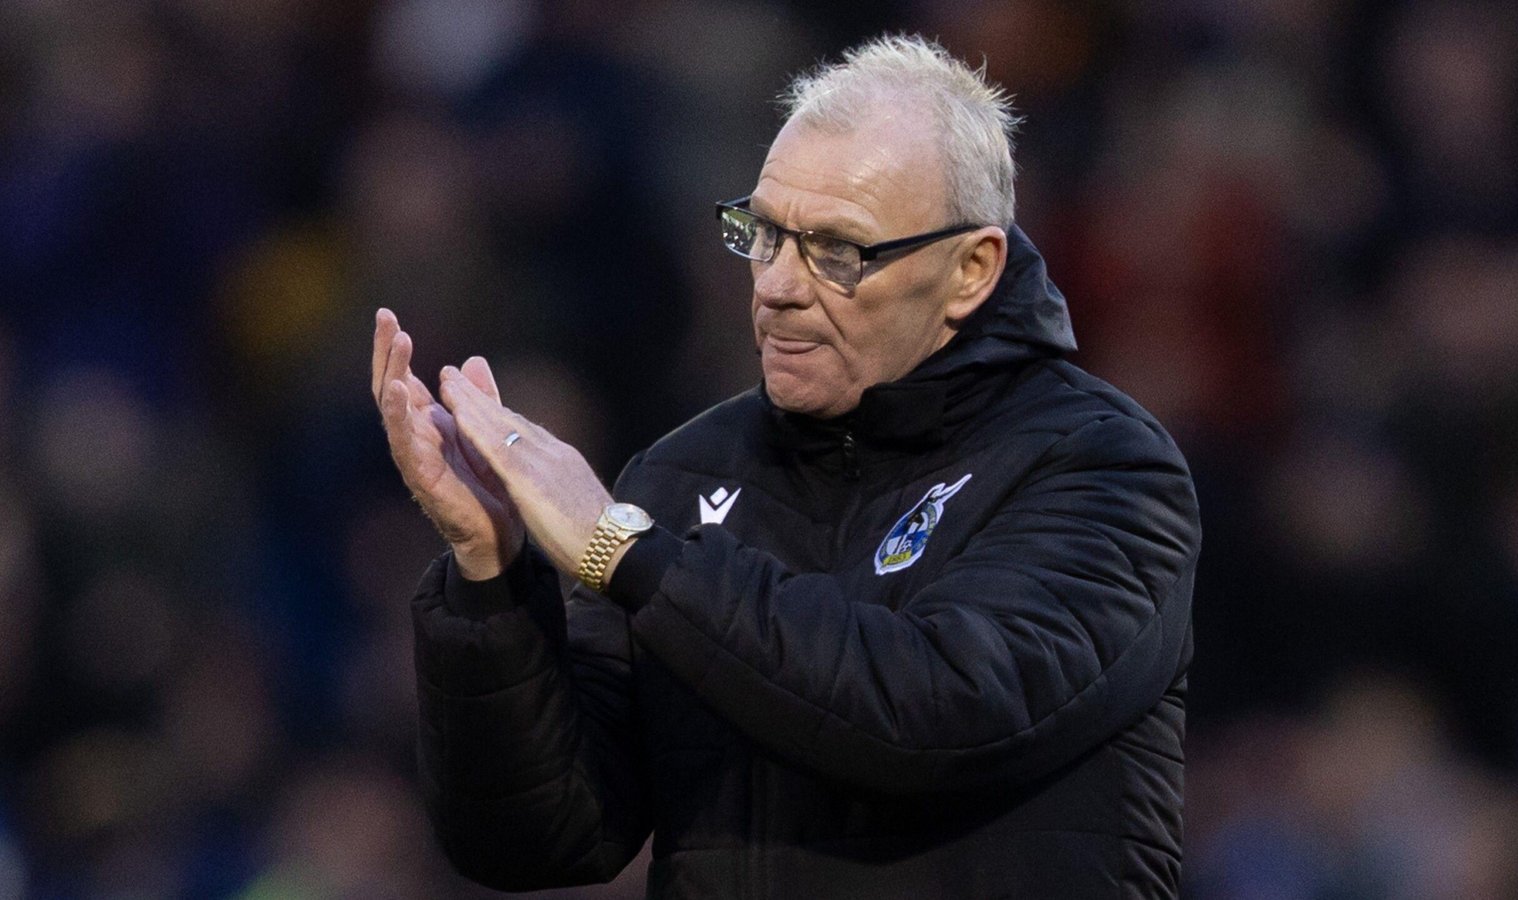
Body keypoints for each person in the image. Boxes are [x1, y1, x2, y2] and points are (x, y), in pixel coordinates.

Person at [373, 34, 1199, 899]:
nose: (776, 286)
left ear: (970, 270)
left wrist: (627, 551)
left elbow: (942, 713)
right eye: (764, 234)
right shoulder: (685, 478)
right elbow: (541, 837)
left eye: (837, 251)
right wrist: (493, 578)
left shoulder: (1103, 468)